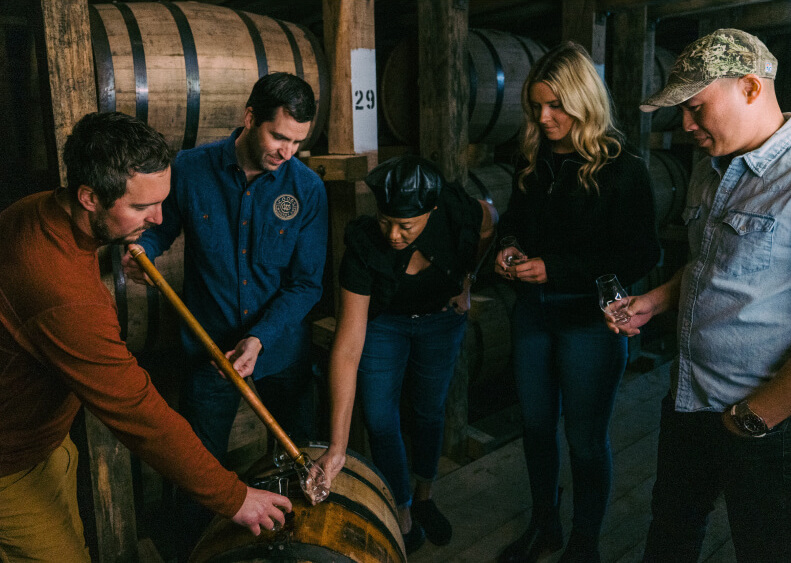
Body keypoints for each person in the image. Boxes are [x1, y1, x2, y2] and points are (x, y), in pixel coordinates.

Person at [0, 111, 291, 562]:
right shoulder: (64, 294)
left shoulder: (37, 208)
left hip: (43, 438)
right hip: (9, 463)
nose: (157, 218)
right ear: (89, 196)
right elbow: (139, 413)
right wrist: (232, 497)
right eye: (140, 207)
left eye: (161, 202)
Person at [122, 72, 328, 556]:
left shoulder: (307, 189)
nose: (287, 151)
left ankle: (300, 553)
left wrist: (260, 339)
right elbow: (159, 229)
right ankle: (191, 553)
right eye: (279, 136)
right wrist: (141, 252)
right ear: (250, 117)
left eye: (297, 142)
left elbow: (305, 285)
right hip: (209, 351)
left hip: (279, 350)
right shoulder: (191, 168)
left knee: (300, 456)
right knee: (198, 470)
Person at [609, 28, 791, 562]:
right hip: (688, 397)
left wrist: (757, 415)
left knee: (765, 548)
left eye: (696, 107)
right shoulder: (712, 168)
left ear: (752, 89)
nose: (686, 124)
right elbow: (712, 264)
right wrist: (658, 299)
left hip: (761, 420)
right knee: (670, 534)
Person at [495, 42, 660, 563]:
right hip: (535, 316)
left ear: (583, 101)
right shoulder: (535, 157)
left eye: (556, 106)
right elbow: (514, 222)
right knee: (537, 430)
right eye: (537, 106)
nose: (544, 118)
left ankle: (584, 544)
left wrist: (557, 269)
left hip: (590, 323)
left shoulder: (622, 165)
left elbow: (641, 253)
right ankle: (545, 528)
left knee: (585, 439)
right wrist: (509, 248)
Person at [315, 155, 497, 553]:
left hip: (440, 320)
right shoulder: (365, 244)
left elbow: (489, 220)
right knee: (380, 418)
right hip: (385, 324)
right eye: (386, 221)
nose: (394, 235)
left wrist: (468, 278)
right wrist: (338, 447)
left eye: (406, 226)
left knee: (430, 411)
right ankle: (403, 510)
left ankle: (426, 494)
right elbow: (347, 347)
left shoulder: (454, 208)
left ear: (431, 211)